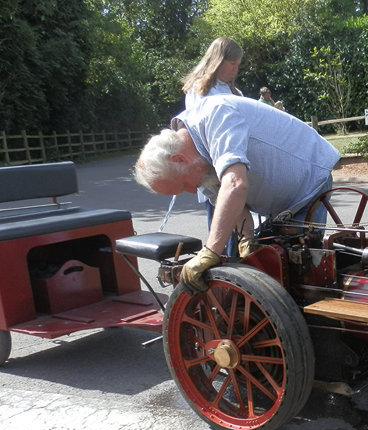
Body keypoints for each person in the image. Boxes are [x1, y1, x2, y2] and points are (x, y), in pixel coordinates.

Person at [133, 94, 341, 293]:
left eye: (183, 185)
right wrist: (247, 239)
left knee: (300, 277)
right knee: (273, 268)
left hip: (308, 183)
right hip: (281, 201)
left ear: (179, 160)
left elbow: (235, 185)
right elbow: (236, 207)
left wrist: (211, 252)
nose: (190, 190)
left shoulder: (217, 116)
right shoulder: (198, 165)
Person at [181, 37, 244, 254]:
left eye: (238, 65)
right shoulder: (199, 91)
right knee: (221, 230)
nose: (235, 69)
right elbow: (200, 131)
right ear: (218, 61)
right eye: (232, 64)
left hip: (236, 166)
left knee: (241, 230)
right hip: (214, 170)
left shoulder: (233, 92)